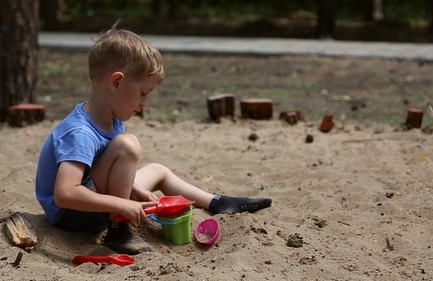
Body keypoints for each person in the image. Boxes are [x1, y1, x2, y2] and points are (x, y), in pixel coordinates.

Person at [35, 25, 272, 255]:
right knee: (127, 145)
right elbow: (65, 193)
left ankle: (217, 202)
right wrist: (121, 205)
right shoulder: (80, 132)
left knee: (157, 170)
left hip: (92, 200)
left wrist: (133, 190)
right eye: (143, 93)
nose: (144, 103)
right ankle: (119, 228)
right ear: (116, 82)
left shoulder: (112, 119)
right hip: (72, 214)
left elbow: (104, 170)